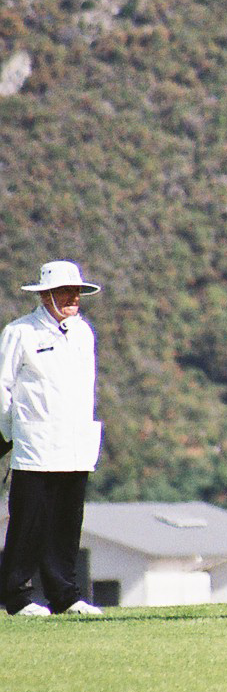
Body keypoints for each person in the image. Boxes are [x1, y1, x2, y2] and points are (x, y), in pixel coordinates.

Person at [0, 261, 106, 616]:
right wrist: (9, 431)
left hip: (75, 443)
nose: (73, 298)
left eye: (76, 292)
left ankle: (65, 595)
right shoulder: (20, 332)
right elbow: (3, 388)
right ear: (45, 295)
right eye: (65, 292)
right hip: (35, 443)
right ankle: (15, 595)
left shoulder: (83, 333)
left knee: (66, 521)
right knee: (29, 519)